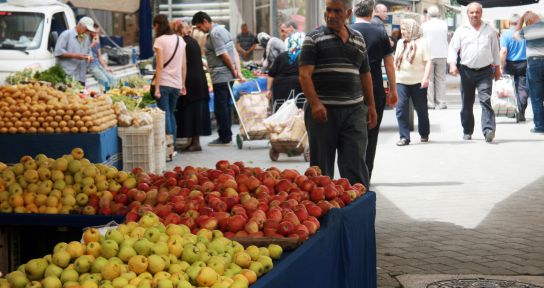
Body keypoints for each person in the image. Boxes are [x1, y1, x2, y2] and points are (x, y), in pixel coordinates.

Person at [300, 0, 377, 188]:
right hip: (323, 114)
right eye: (328, 10)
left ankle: (357, 212)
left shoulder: (358, 38)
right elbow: (304, 74)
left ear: (348, 13)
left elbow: (365, 74)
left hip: (354, 113)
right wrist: (316, 103)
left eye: (337, 11)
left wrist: (371, 106)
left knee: (355, 165)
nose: (331, 15)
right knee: (321, 170)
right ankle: (324, 214)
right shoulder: (313, 38)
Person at [351, 0, 398, 181]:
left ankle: (351, 177)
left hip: (351, 90)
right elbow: (389, 64)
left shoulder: (347, 31)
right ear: (372, 13)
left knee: (351, 135)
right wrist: (393, 89)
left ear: (354, 12)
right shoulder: (379, 32)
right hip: (376, 89)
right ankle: (365, 177)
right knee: (371, 134)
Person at [447, 2, 501, 143]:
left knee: (485, 100)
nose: (474, 15)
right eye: (472, 12)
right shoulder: (461, 30)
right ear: (468, 14)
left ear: (481, 13)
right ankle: (467, 129)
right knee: (466, 103)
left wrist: (498, 69)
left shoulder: (489, 30)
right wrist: (452, 64)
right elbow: (453, 49)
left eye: (477, 12)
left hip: (485, 71)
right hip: (466, 72)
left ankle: (488, 130)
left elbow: (495, 51)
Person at [192, 11, 240, 146]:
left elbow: (224, 54)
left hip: (221, 76)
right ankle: (227, 134)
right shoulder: (223, 30)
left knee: (221, 108)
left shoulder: (214, 34)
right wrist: (236, 71)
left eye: (199, 26)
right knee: (226, 105)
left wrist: (232, 69)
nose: (200, 30)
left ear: (205, 21)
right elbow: (232, 51)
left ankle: (224, 136)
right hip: (227, 75)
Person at [172, 20, 212, 152]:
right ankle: (194, 141)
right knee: (196, 112)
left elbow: (182, 64)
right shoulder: (192, 41)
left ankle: (195, 143)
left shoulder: (182, 43)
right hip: (199, 80)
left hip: (190, 81)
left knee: (192, 112)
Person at [394, 18, 432, 146]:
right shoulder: (400, 42)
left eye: (404, 29)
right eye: (402, 29)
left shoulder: (423, 42)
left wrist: (425, 78)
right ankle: (404, 137)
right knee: (401, 109)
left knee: (421, 109)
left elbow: (428, 62)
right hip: (401, 81)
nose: (402, 32)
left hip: (418, 81)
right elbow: (396, 62)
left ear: (412, 29)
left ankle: (424, 133)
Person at [152, 14, 187, 145]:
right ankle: (173, 146)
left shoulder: (160, 40)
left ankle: (169, 145)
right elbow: (184, 65)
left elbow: (159, 65)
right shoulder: (180, 40)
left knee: (164, 114)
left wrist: (156, 87)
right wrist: (183, 83)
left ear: (156, 25)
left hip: (164, 83)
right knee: (171, 113)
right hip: (177, 83)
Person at [514, 11, 544, 134]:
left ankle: (539, 127)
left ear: (529, 22)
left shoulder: (527, 30)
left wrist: (521, 20)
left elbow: (515, 35)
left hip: (534, 64)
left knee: (536, 97)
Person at [501, 14, 528, 122]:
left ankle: (512, 111)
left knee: (509, 88)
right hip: (524, 63)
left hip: (509, 64)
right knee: (522, 89)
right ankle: (521, 111)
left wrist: (501, 66)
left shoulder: (505, 34)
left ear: (510, 22)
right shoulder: (525, 33)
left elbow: (503, 51)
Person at [54, 17, 96, 86]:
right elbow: (58, 52)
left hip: (81, 77)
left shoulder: (86, 38)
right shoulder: (66, 34)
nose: (87, 32)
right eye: (86, 29)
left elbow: (89, 50)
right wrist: (76, 56)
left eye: (88, 30)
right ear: (80, 25)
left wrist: (90, 57)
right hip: (67, 76)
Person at [267, 32, 304, 106]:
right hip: (296, 86)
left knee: (280, 108)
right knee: (297, 110)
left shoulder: (281, 56)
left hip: (279, 87)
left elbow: (271, 74)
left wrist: (268, 90)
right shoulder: (303, 56)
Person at [422, 5, 449, 109]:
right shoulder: (444, 24)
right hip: (442, 54)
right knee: (441, 79)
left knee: (429, 79)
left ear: (428, 14)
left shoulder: (424, 25)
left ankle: (430, 103)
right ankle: (441, 102)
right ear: (438, 14)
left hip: (428, 55)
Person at [89, 24, 117, 90]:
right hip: (90, 66)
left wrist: (106, 67)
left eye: (97, 33)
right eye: (94, 32)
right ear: (90, 31)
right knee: (106, 82)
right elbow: (83, 53)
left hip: (98, 65)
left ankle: (116, 94)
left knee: (113, 80)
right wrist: (92, 44)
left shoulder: (97, 39)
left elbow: (99, 56)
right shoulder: (86, 40)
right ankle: (108, 95)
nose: (96, 34)